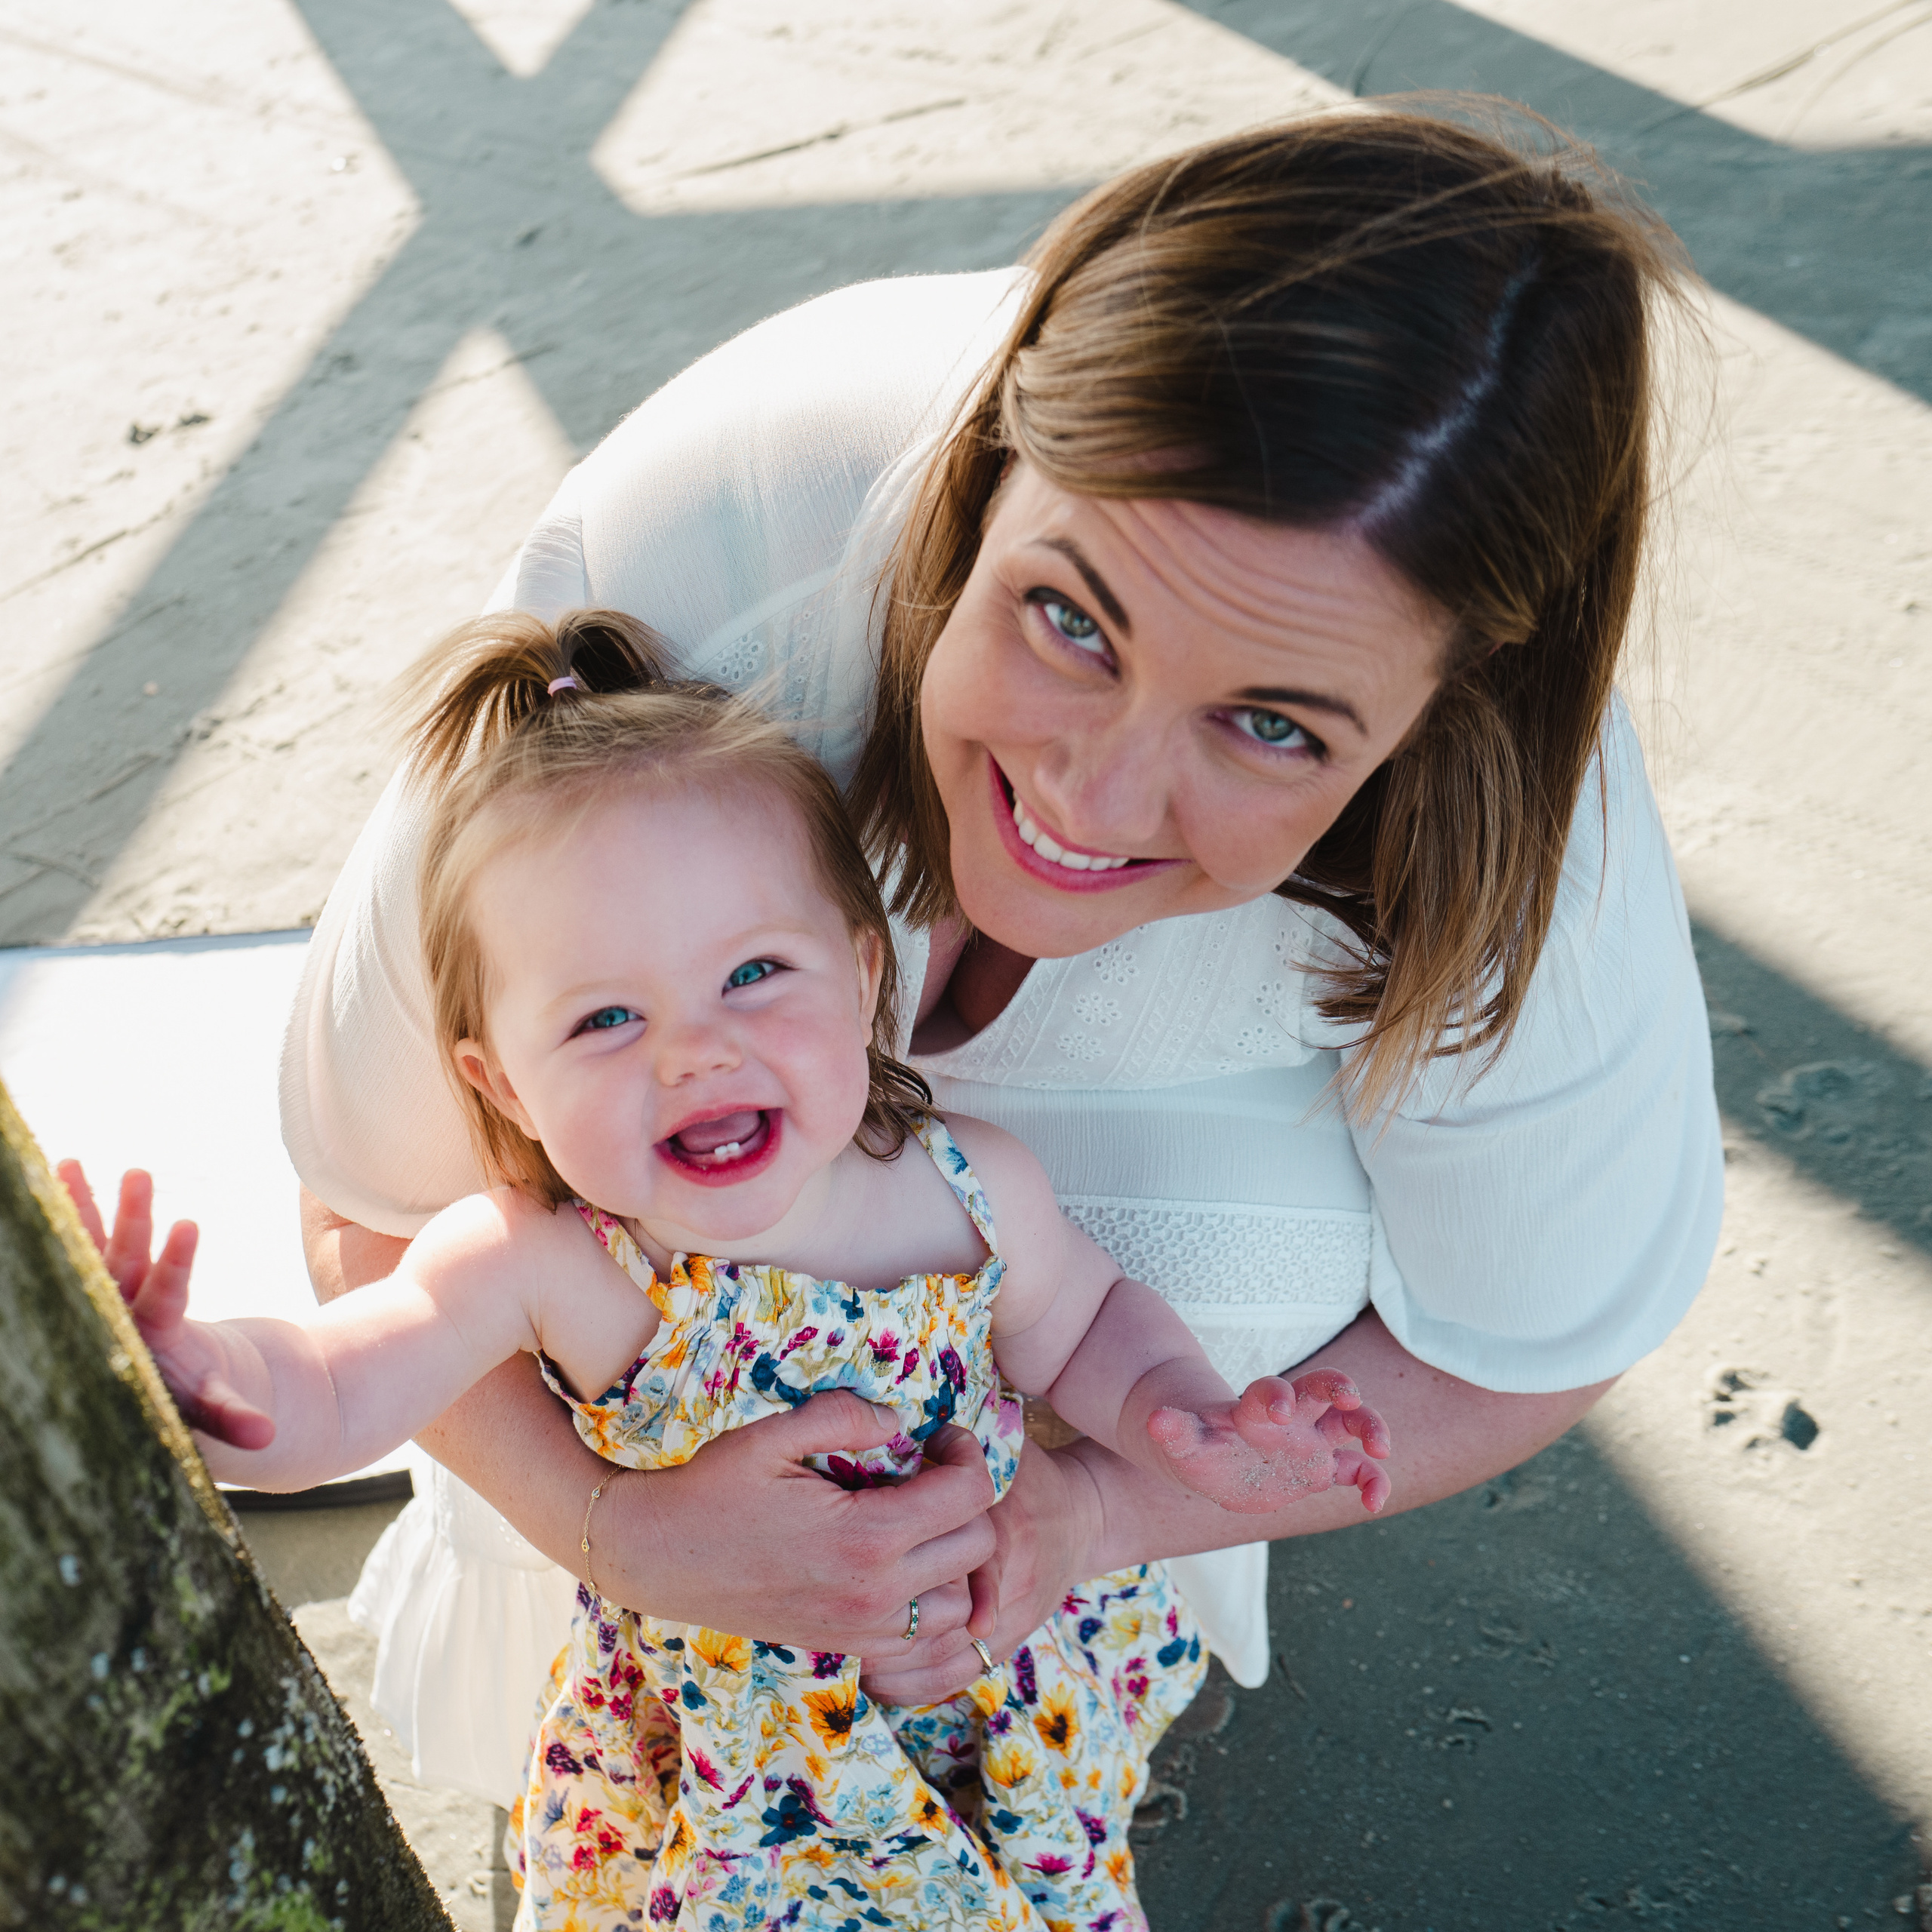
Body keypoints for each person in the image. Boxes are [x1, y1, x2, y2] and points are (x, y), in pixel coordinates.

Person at [283, 103, 1721, 1774]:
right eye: (1067, 616)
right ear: (988, 468)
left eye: (1270, 724)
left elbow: (1534, 1335)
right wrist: (616, 1527)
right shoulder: (709, 561)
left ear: (1440, 711)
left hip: (1061, 1604)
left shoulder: (1532, 830)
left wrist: (1099, 1507)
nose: (1087, 797)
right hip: (627, 1608)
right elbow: (369, 1197)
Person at [64, 610, 1395, 1930]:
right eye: (605, 1018)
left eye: (754, 972)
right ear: (504, 1084)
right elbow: (336, 1381)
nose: (693, 1051)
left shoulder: (965, 1187)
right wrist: (188, 1372)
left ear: (863, 978)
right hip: (739, 1781)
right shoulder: (545, 1260)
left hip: (985, 1684)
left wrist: (1189, 1415)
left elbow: (1092, 1325)